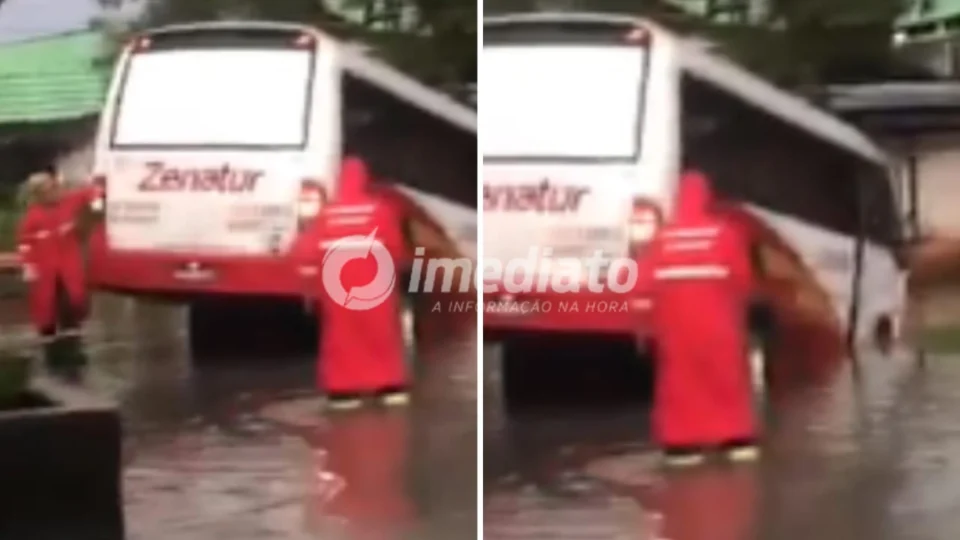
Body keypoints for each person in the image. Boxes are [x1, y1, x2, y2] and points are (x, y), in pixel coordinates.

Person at [641, 170, 758, 467]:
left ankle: (683, 447)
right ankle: (736, 441)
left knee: (681, 385)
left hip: (676, 330)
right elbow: (743, 281)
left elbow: (644, 286)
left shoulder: (662, 239)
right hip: (720, 327)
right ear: (708, 199)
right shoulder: (725, 233)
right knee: (726, 380)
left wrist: (646, 326)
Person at [293, 157, 410, 411]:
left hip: (338, 290)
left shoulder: (327, 214)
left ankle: (344, 393)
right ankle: (389, 388)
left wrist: (310, 287)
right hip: (377, 288)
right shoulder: (380, 210)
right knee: (382, 335)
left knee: (343, 338)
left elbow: (307, 252)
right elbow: (396, 250)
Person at [17, 170, 96, 377]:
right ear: (39, 194)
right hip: (45, 273)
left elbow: (92, 194)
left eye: (55, 187)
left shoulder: (68, 203)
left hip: (68, 269)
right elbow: (25, 243)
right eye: (49, 190)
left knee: (72, 307)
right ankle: (52, 354)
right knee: (47, 314)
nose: (55, 192)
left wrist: (93, 210)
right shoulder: (33, 216)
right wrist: (28, 265)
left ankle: (74, 350)